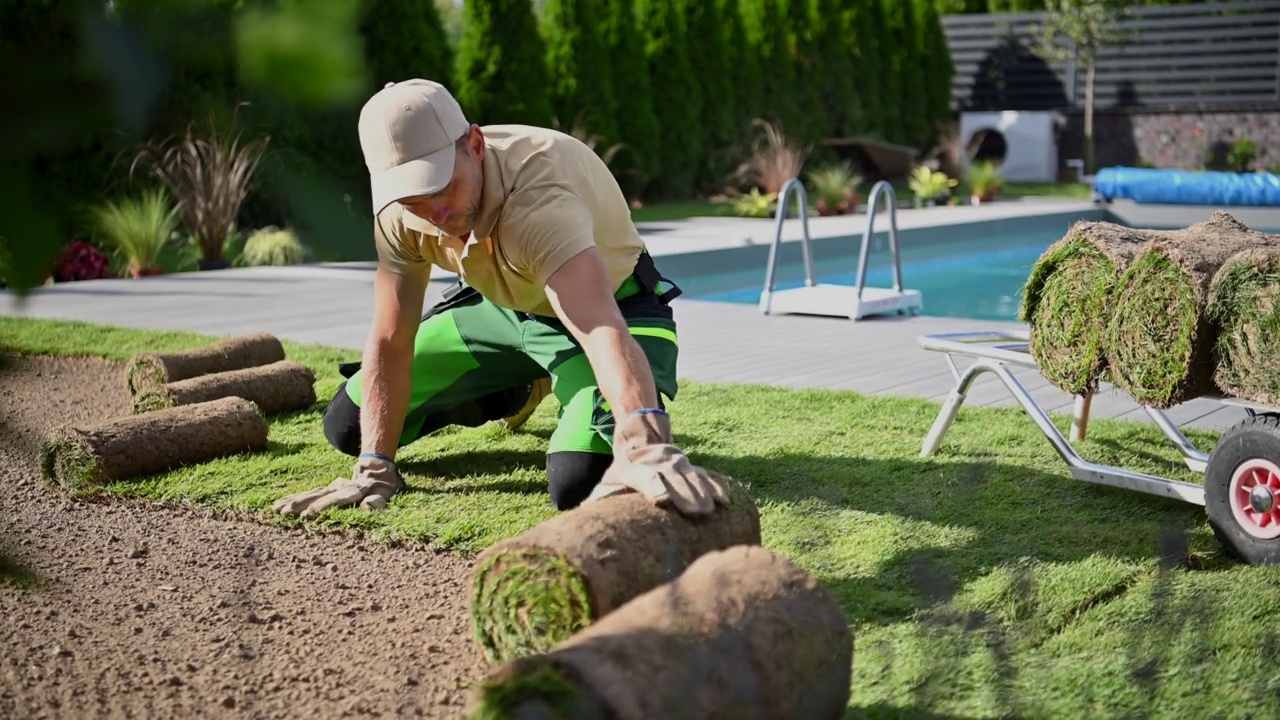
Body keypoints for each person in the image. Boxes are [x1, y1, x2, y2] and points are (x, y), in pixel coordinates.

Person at [272, 79, 730, 521]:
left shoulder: (539, 198)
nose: (437, 215)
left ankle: (564, 386)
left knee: (579, 482)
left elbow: (598, 326)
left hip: (613, 310)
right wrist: (375, 467)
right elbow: (391, 337)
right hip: (502, 310)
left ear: (474, 145)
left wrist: (644, 444)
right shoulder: (399, 212)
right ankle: (516, 386)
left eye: (440, 187)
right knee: (349, 427)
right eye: (415, 201)